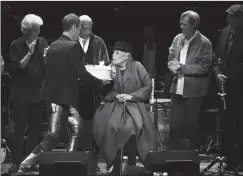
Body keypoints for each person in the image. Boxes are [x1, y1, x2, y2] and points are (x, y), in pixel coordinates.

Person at [19, 13, 108, 172]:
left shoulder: (52, 45)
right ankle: (27, 163)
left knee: (76, 129)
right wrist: (101, 82)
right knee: (54, 135)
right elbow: (82, 74)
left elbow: (57, 71)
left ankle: (69, 163)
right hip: (61, 99)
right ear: (75, 27)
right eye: (79, 28)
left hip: (56, 97)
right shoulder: (74, 47)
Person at [92, 41, 157, 176]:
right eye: (113, 52)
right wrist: (109, 88)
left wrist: (131, 96)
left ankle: (132, 165)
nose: (113, 55)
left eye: (117, 53)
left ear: (127, 56)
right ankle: (116, 165)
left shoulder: (137, 66)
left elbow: (147, 85)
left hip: (135, 104)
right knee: (109, 125)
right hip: (115, 104)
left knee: (132, 126)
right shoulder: (110, 68)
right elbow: (104, 92)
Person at [213, 4, 243, 172]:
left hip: (240, 88)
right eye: (228, 16)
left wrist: (227, 77)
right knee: (225, 124)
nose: (228, 19)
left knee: (239, 125)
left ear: (241, 18)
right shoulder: (225, 32)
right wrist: (217, 73)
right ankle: (227, 158)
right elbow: (218, 56)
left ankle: (241, 159)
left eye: (231, 17)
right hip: (223, 87)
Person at [7, 14, 48, 173]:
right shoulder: (15, 45)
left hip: (38, 93)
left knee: (35, 130)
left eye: (38, 30)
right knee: (19, 129)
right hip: (21, 95)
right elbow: (19, 67)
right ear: (28, 31)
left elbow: (46, 66)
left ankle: (29, 162)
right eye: (36, 30)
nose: (38, 33)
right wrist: (30, 53)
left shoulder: (43, 42)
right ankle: (17, 162)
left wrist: (47, 57)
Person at [167, 10, 213, 150]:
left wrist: (183, 68)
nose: (181, 27)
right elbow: (171, 57)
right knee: (174, 126)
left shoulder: (205, 43)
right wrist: (172, 65)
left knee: (191, 127)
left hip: (194, 92)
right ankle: (173, 161)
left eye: (185, 24)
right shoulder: (177, 39)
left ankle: (191, 161)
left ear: (194, 25)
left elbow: (205, 67)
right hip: (177, 89)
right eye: (181, 24)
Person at [77, 15, 110, 152]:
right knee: (77, 123)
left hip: (94, 90)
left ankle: (92, 153)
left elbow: (106, 62)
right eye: (84, 27)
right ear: (78, 27)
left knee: (92, 122)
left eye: (90, 27)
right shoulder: (71, 41)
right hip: (75, 88)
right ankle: (77, 153)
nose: (88, 31)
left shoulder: (98, 42)